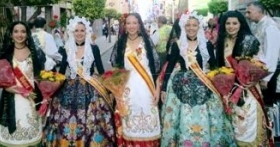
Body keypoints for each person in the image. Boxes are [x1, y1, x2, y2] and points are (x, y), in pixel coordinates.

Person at [160, 11, 236, 146]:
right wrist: (164, 88)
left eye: (194, 25)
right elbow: (170, 67)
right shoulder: (177, 45)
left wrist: (222, 84)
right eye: (188, 25)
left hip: (204, 86)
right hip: (181, 86)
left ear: (199, 27)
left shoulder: (206, 44)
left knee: (208, 117)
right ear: (183, 27)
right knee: (182, 118)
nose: (191, 28)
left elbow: (213, 66)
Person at [43, 16, 115, 146]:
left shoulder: (94, 49)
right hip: (69, 89)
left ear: (86, 32)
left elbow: (101, 70)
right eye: (76, 30)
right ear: (72, 32)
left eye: (82, 30)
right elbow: (61, 72)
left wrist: (111, 89)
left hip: (91, 89)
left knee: (92, 120)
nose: (79, 33)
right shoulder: (65, 49)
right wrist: (51, 89)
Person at [215, 10, 272, 146]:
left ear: (241, 24)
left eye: (235, 23)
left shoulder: (249, 41)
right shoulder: (222, 41)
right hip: (228, 90)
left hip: (247, 88)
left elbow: (260, 63)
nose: (231, 26)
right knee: (232, 124)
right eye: (228, 23)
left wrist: (253, 78)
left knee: (248, 121)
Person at [110, 13, 161, 146]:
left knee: (147, 119)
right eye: (128, 23)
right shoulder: (120, 43)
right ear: (125, 26)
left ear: (139, 25)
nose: (131, 26)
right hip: (127, 89)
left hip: (146, 88)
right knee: (128, 120)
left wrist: (157, 90)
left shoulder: (147, 42)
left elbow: (155, 69)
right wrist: (116, 91)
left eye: (134, 23)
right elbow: (116, 69)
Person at [0, 21, 45, 147]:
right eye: (16, 31)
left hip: (31, 101)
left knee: (31, 138)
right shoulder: (5, 55)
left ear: (27, 34)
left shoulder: (35, 53)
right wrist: (15, 89)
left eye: (23, 31)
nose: (19, 34)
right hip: (12, 100)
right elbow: (0, 80)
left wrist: (44, 97)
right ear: (11, 35)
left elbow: (40, 77)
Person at [246, 1, 280, 139]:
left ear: (260, 11)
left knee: (269, 104)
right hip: (260, 71)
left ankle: (273, 134)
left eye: (250, 12)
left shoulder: (270, 27)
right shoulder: (258, 25)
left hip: (269, 73)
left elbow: (271, 54)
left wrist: (266, 78)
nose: (247, 15)